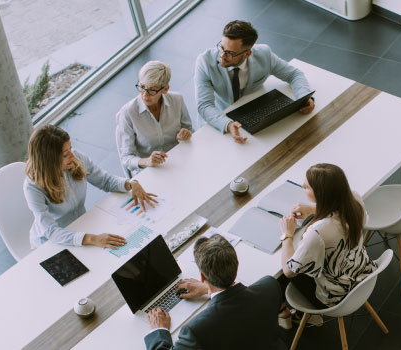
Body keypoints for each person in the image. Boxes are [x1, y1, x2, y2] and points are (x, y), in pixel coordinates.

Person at [24, 125, 157, 249]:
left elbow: (105, 181)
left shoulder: (76, 158)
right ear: (49, 160)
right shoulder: (32, 187)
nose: (72, 155)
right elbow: (51, 231)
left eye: (70, 148)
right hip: (52, 244)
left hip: (82, 227)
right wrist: (92, 239)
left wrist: (131, 184)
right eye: (65, 154)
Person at [145, 235, 284, 350]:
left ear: (202, 277)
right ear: (236, 264)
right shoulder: (269, 286)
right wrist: (208, 288)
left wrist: (159, 331)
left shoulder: (195, 331)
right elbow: (244, 304)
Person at [195, 20, 314, 144]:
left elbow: (294, 74)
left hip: (254, 110)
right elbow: (204, 105)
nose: (222, 56)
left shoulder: (264, 54)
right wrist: (228, 124)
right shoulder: (205, 62)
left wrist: (304, 98)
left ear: (247, 53)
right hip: (221, 116)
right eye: (222, 47)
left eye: (230, 53)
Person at [278, 163, 377, 312]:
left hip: (334, 296)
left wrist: (287, 234)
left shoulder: (318, 232)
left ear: (320, 193)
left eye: (306, 187)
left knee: (278, 278)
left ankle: (286, 314)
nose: (302, 186)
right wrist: (313, 209)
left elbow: (288, 270)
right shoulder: (354, 200)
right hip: (361, 273)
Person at [116, 60, 193, 177]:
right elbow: (126, 158)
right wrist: (146, 161)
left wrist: (187, 133)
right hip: (149, 171)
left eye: (152, 90)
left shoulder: (178, 100)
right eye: (142, 87)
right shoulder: (128, 113)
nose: (144, 95)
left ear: (165, 89)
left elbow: (189, 128)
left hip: (179, 160)